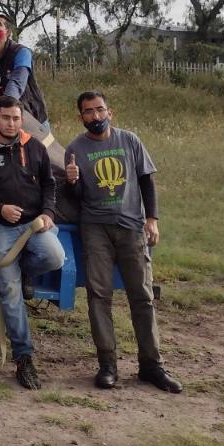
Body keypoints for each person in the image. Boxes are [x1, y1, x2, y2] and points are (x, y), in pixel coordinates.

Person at [64, 91, 181, 393]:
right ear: (81, 117)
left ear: (110, 112)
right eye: (88, 112)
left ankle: (151, 365)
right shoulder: (75, 148)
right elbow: (75, 199)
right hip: (95, 229)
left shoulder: (130, 141)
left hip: (131, 226)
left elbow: (146, 181)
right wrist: (73, 181)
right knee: (98, 296)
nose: (95, 116)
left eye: (100, 110)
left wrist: (152, 219)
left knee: (141, 296)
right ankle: (107, 365)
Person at [0, 96, 65, 390]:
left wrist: (47, 213)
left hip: (34, 225)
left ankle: (26, 272)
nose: (11, 123)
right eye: (6, 118)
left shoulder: (34, 146)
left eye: (16, 118)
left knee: (55, 258)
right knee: (10, 293)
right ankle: (24, 357)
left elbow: (49, 184)